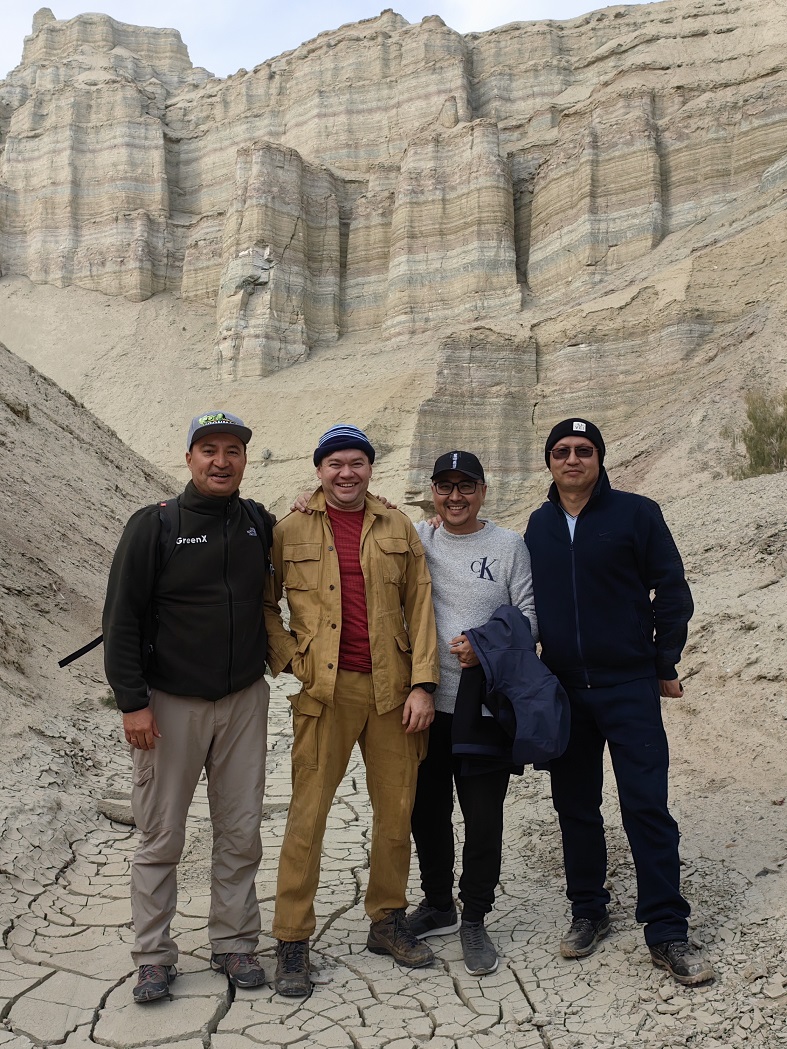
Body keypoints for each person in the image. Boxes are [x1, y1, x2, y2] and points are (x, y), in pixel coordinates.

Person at [524, 418, 714, 986]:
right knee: (575, 807)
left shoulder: (637, 513)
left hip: (629, 687)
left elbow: (672, 589)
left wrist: (663, 661)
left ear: (600, 459)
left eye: (585, 451)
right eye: (563, 451)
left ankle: (667, 931)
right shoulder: (537, 526)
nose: (573, 459)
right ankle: (588, 911)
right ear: (550, 462)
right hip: (564, 689)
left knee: (646, 806)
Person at [103, 411, 274, 1003]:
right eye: (209, 450)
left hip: (245, 700)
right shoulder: (155, 525)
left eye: (233, 450)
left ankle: (234, 944)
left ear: (245, 461)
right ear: (189, 458)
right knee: (160, 835)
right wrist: (133, 703)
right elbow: (120, 618)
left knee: (240, 830)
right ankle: (153, 956)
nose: (221, 461)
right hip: (169, 705)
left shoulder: (258, 522)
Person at [264, 424, 440, 998]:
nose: (346, 473)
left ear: (370, 468)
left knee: (396, 813)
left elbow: (421, 607)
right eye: (335, 463)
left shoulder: (398, 525)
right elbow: (267, 606)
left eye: (357, 463)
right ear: (319, 470)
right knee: (307, 817)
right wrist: (294, 661)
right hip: (324, 694)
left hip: (392, 692)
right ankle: (293, 939)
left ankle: (386, 922)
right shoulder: (287, 528)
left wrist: (423, 685)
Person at [407, 451, 538, 977]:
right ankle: (439, 903)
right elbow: (363, 519)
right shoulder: (419, 539)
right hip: (425, 704)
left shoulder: (509, 546)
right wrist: (311, 496)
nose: (456, 497)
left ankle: (475, 917)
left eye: (467, 487)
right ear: (433, 492)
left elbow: (529, 618)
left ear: (483, 491)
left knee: (483, 817)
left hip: (485, 706)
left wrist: (482, 647)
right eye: (446, 486)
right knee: (426, 810)